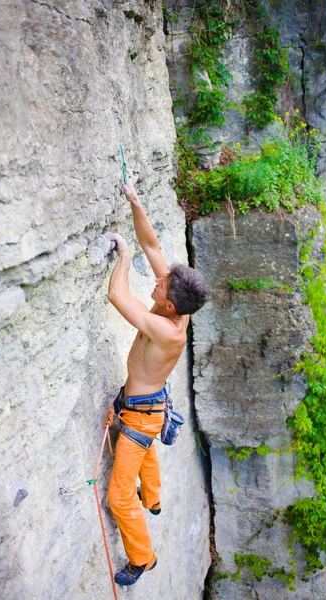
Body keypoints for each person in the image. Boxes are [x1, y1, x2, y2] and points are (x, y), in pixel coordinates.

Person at [104, 180, 207, 586]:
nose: (157, 280)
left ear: (168, 306)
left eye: (160, 286)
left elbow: (118, 295)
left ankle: (142, 558)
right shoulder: (175, 303)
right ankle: (155, 496)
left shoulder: (169, 331)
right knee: (143, 452)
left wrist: (123, 256)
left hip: (140, 417)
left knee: (117, 495)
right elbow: (153, 245)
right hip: (151, 399)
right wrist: (135, 202)